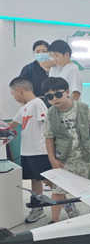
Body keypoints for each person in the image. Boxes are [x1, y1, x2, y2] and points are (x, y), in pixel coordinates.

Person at [43, 77, 90, 223]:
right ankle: (55, 220)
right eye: (50, 97)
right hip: (63, 159)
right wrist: (52, 158)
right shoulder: (50, 113)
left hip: (85, 156)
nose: (55, 99)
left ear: (67, 92)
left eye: (58, 94)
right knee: (58, 190)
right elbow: (49, 137)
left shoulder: (83, 108)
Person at [8, 78, 52, 223]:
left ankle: (66, 203)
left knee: (47, 180)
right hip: (27, 151)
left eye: (12, 94)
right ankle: (37, 208)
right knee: (35, 179)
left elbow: (47, 128)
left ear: (18, 90)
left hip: (39, 150)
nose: (13, 97)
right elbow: (12, 125)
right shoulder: (25, 107)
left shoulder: (38, 104)